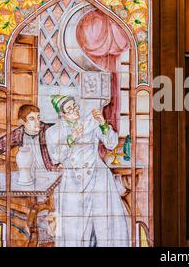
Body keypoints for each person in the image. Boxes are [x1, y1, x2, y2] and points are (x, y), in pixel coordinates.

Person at [45, 95, 130, 247]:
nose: (74, 110)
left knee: (104, 224)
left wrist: (103, 124)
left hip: (98, 177)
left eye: (75, 106)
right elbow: (55, 157)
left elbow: (111, 143)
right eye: (69, 109)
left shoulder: (90, 123)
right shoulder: (52, 132)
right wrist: (73, 137)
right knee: (74, 228)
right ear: (62, 114)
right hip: (72, 181)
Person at [0, 104, 57, 171]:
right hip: (28, 175)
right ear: (22, 121)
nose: (37, 122)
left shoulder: (48, 130)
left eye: (38, 117)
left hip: (50, 173)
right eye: (32, 119)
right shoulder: (19, 134)